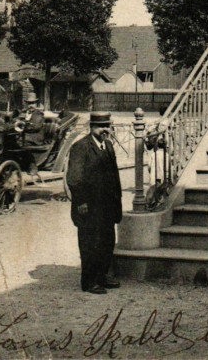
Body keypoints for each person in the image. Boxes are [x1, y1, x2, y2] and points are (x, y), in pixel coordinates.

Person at [66, 112, 123, 294]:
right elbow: (74, 178)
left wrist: (117, 200)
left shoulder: (108, 146)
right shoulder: (80, 147)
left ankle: (103, 276)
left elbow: (114, 175)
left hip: (107, 205)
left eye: (107, 126)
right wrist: (81, 201)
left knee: (107, 241)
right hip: (89, 207)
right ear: (92, 127)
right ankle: (89, 282)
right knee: (90, 243)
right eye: (100, 126)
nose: (105, 130)